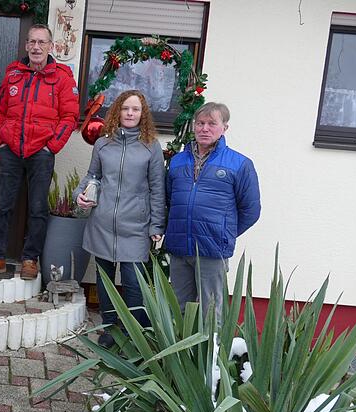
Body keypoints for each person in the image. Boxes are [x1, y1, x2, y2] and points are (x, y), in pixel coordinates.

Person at [0, 24, 79, 280]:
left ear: (50, 46)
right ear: (26, 45)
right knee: (2, 206)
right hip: (11, 149)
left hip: (41, 152)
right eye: (32, 42)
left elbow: (70, 117)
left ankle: (30, 259)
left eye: (42, 42)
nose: (36, 47)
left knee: (37, 208)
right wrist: (0, 139)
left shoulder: (63, 77)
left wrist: (51, 146)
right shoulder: (13, 74)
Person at [74, 90, 165, 349]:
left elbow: (158, 188)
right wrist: (80, 194)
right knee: (104, 282)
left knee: (133, 282)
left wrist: (157, 225)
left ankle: (134, 334)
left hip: (135, 226)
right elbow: (93, 177)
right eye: (125, 108)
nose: (130, 113)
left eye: (135, 109)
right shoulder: (104, 143)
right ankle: (110, 329)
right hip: (102, 223)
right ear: (117, 111)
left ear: (142, 114)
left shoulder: (151, 146)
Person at [164, 102, 261, 318]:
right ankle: (178, 352)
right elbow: (170, 200)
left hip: (212, 250)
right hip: (180, 249)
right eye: (200, 123)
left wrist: (223, 233)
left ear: (224, 128)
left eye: (211, 123)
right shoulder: (178, 162)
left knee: (211, 313)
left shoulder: (240, 164)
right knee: (178, 310)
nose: (204, 128)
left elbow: (251, 210)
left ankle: (210, 352)